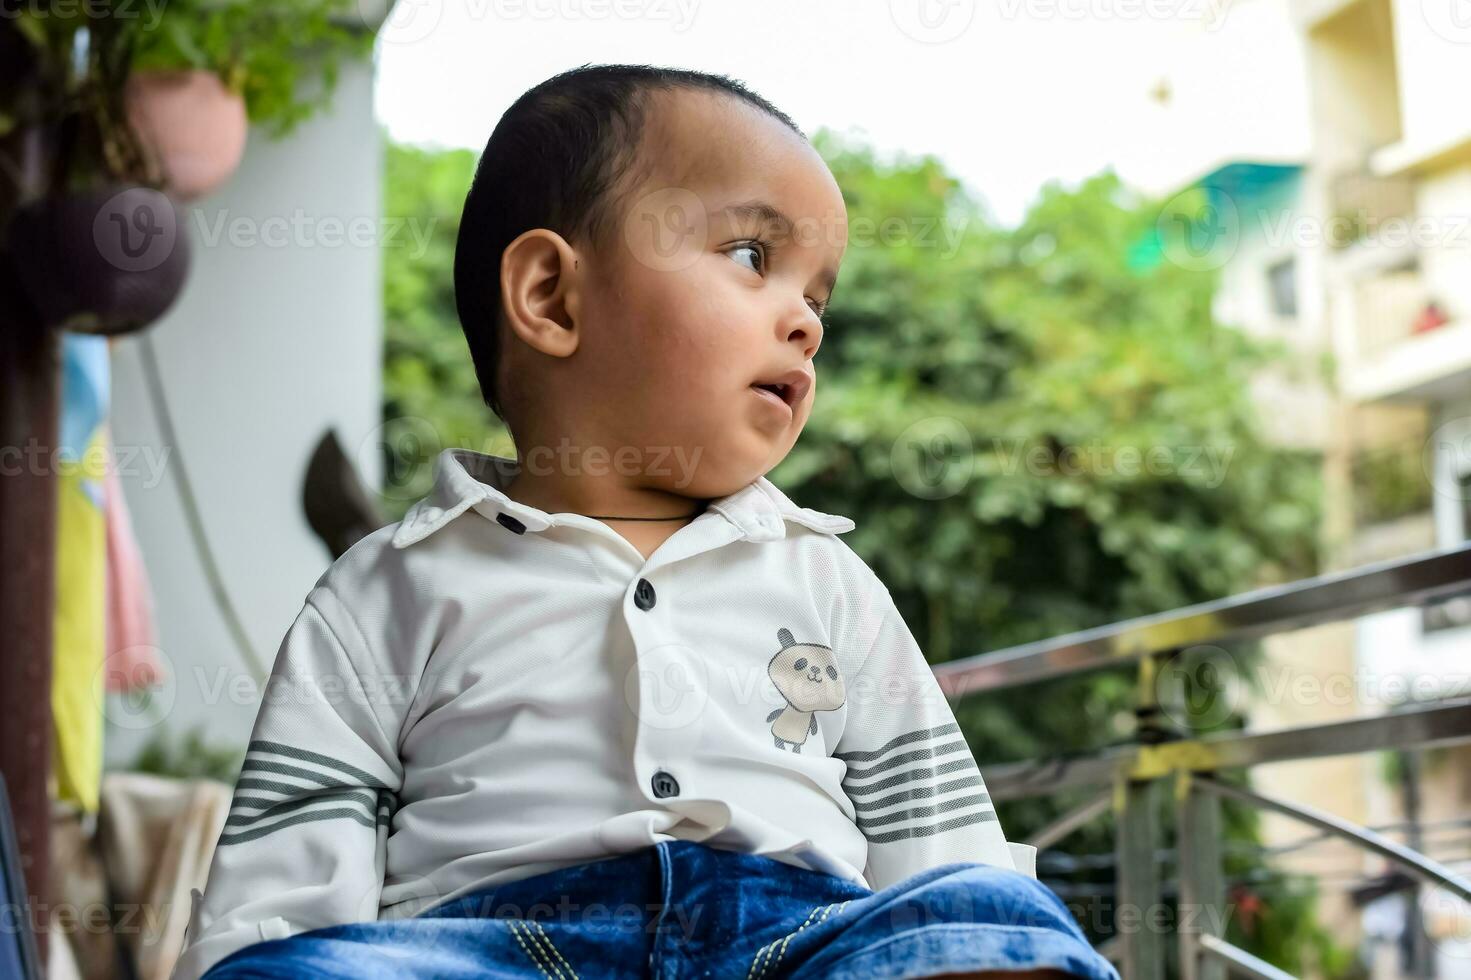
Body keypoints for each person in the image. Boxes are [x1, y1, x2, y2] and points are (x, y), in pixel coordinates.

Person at [171, 64, 1120, 980]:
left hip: (789, 943)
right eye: (754, 257)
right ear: (550, 296)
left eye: (816, 295)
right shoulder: (389, 588)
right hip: (492, 947)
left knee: (996, 915)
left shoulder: (826, 580)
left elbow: (940, 841)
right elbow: (282, 889)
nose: (806, 322)